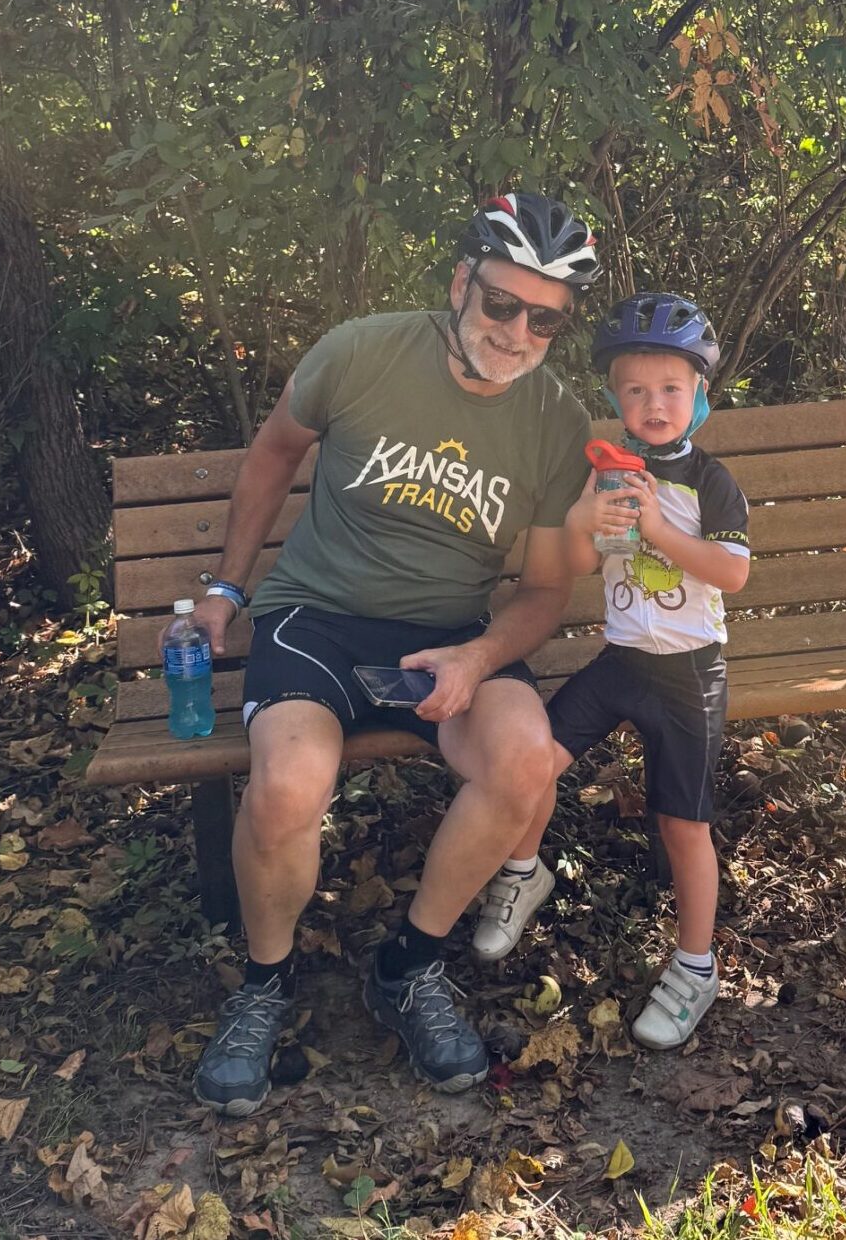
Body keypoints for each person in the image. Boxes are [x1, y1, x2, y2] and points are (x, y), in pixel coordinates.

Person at [187, 193, 600, 1115]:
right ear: (461, 283)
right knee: (288, 787)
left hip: (448, 633)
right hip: (318, 618)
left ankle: (407, 968)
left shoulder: (553, 420)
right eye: (501, 303)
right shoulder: (364, 350)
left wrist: (477, 659)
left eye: (544, 318)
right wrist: (227, 589)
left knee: (527, 761)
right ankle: (265, 985)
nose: (517, 331)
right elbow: (271, 455)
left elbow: (541, 591)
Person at [471, 293, 751, 1048]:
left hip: (691, 673)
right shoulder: (610, 476)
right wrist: (579, 524)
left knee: (682, 823)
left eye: (670, 388)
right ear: (614, 399)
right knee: (535, 762)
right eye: (635, 389)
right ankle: (526, 870)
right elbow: (569, 564)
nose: (653, 404)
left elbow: (731, 575)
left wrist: (659, 525)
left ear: (698, 394)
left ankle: (696, 966)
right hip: (622, 660)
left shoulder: (711, 481)